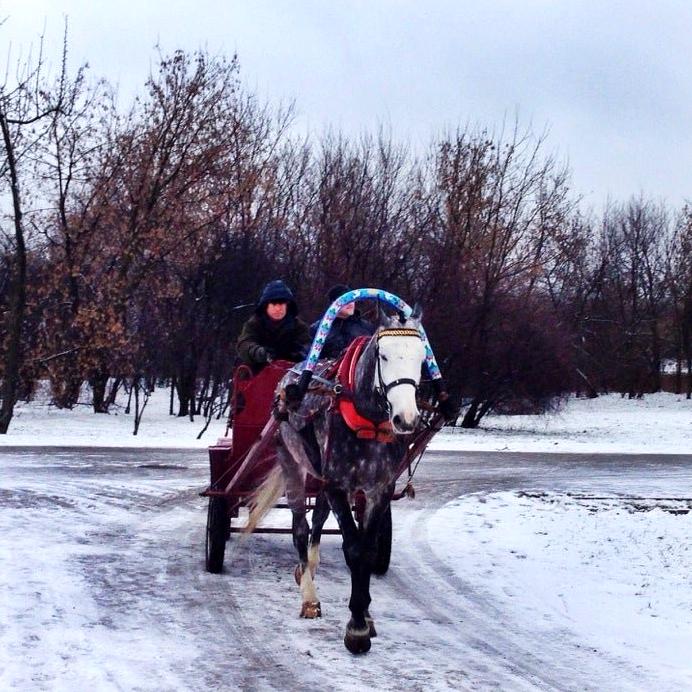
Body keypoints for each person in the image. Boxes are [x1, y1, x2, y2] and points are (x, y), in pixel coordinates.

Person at [236, 280, 311, 373]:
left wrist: (299, 353)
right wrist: (259, 352)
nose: (278, 308)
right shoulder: (254, 324)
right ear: (266, 306)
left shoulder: (298, 327)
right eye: (274, 304)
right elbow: (244, 345)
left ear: (288, 306)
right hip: (258, 373)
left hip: (290, 373)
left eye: (282, 304)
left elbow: (307, 346)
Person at [310, 284, 375, 360]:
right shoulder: (318, 328)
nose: (350, 303)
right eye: (345, 300)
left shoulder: (367, 327)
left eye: (352, 300)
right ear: (333, 303)